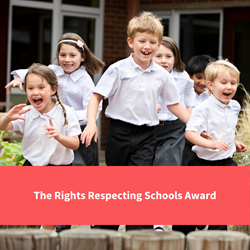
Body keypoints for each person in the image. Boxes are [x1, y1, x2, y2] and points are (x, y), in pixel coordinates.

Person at [81, 11, 190, 231]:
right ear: (131, 42)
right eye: (142, 41)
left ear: (159, 44)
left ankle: (138, 231)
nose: (147, 46)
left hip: (146, 135)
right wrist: (91, 122)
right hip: (118, 132)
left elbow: (174, 105)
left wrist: (196, 126)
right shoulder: (118, 69)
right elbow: (96, 96)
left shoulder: (162, 75)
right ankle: (104, 229)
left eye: (152, 42)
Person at [0, 63, 81, 231]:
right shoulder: (27, 112)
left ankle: (47, 239)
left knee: (50, 216)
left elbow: (75, 143)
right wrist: (7, 117)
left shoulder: (66, 112)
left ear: (53, 89)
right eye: (30, 88)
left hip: (59, 170)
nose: (35, 92)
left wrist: (58, 136)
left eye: (41, 87)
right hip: (33, 168)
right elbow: (3, 127)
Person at [5, 32, 105, 167]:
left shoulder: (85, 80)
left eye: (72, 55)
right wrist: (19, 78)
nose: (67, 59)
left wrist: (67, 115)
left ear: (82, 57)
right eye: (62, 55)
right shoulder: (54, 71)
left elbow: (94, 108)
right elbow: (35, 72)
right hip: (56, 127)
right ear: (57, 56)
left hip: (81, 131)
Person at [185, 59, 247, 231]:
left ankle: (217, 236)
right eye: (224, 82)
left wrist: (233, 142)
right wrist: (210, 144)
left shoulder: (234, 106)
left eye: (233, 83)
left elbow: (223, 130)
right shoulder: (202, 109)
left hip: (226, 162)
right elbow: (190, 133)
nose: (229, 87)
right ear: (210, 85)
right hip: (203, 164)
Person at [152, 36, 196, 232]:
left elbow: (189, 92)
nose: (163, 60)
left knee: (166, 167)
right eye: (158, 56)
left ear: (175, 58)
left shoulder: (182, 76)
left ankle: (159, 220)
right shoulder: (146, 74)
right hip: (149, 127)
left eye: (168, 56)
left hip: (174, 127)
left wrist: (191, 108)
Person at [182, 55, 215, 166]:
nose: (203, 82)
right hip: (184, 138)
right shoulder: (184, 94)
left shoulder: (214, 97)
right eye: (199, 77)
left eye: (207, 78)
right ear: (190, 77)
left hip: (206, 138)